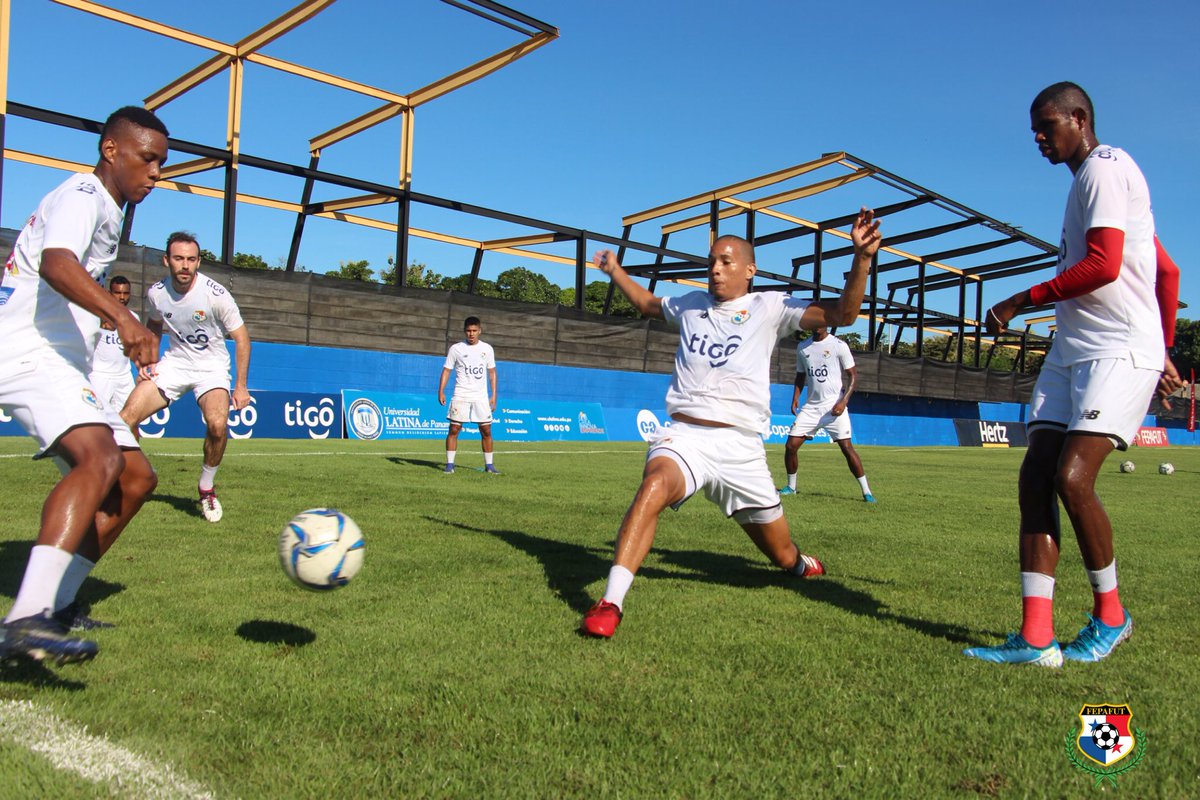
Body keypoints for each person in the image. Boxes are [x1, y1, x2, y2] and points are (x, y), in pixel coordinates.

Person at [581, 210, 882, 638]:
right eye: (711, 262)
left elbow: (844, 314)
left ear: (749, 270)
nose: (715, 269)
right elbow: (647, 304)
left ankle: (799, 564)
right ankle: (610, 603)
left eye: (725, 261)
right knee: (652, 487)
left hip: (742, 450)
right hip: (686, 435)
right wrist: (615, 270)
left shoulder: (771, 306)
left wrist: (862, 260)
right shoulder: (689, 304)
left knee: (780, 555)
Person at [964, 82, 1183, 667]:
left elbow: (1105, 266)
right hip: (1073, 351)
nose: (1038, 137)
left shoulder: (1106, 167)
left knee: (1073, 478)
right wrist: (1167, 348)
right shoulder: (1089, 186)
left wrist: (1020, 299)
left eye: (1047, 125)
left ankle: (1112, 616)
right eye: (1034, 128)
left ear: (1079, 119)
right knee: (1035, 477)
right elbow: (1167, 271)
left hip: (1115, 350)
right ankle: (1037, 638)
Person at [0, 106, 167, 664]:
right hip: (27, 349)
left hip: (59, 358)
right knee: (100, 461)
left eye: (162, 163)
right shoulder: (82, 194)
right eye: (148, 158)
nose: (156, 172)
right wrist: (123, 319)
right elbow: (56, 263)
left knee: (137, 478)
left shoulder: (111, 212)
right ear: (111, 151)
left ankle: (60, 603)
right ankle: (25, 619)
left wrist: (101, 323)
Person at [119, 232, 252, 523]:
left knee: (218, 426)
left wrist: (240, 386)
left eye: (191, 260)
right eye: (179, 258)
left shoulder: (216, 295)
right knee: (125, 419)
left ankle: (206, 488)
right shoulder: (156, 293)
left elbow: (242, 338)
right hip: (174, 365)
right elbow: (154, 323)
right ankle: (133, 478)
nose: (185, 265)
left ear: (198, 262)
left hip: (212, 368)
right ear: (167, 260)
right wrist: (149, 361)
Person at [778, 326, 875, 502]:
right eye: (811, 322)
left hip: (834, 408)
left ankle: (867, 492)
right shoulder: (803, 347)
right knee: (791, 446)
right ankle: (791, 487)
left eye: (819, 322)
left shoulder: (839, 345)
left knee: (846, 448)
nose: (815, 325)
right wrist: (795, 397)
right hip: (811, 408)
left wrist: (843, 401)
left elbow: (852, 375)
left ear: (827, 324)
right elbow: (801, 375)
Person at [438, 316, 499, 474]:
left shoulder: (487, 349)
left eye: (474, 331)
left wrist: (493, 395)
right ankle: (450, 465)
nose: (471, 334)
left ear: (480, 331)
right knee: (454, 429)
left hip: (480, 397)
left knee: (486, 431)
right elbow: (447, 370)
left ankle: (489, 466)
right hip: (461, 395)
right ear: (464, 331)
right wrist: (441, 390)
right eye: (468, 331)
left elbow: (492, 373)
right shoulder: (456, 349)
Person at [88, 275, 139, 413]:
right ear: (110, 294)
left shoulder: (134, 318)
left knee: (130, 417)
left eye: (126, 293)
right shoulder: (96, 316)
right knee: (95, 416)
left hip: (124, 376)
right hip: (100, 375)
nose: (122, 297)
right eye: (118, 293)